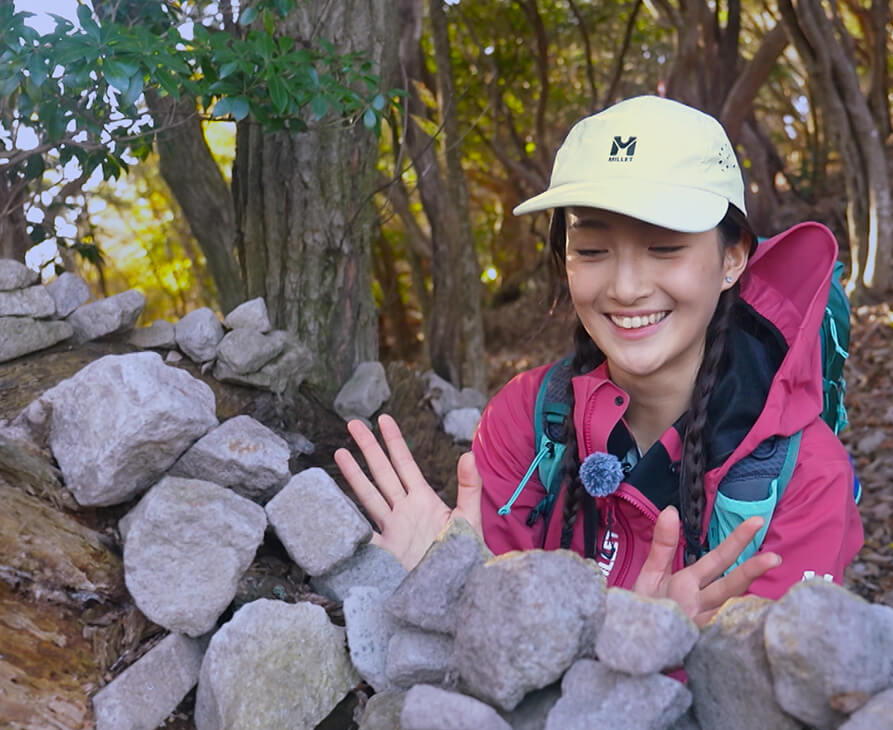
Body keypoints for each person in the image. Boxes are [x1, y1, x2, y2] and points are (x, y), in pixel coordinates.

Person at [335, 96, 863, 624]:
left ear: (732, 258)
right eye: (591, 250)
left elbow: (773, 692)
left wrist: (657, 646)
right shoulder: (529, 418)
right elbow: (492, 654)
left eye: (665, 247)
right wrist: (446, 582)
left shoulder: (802, 478)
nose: (626, 288)